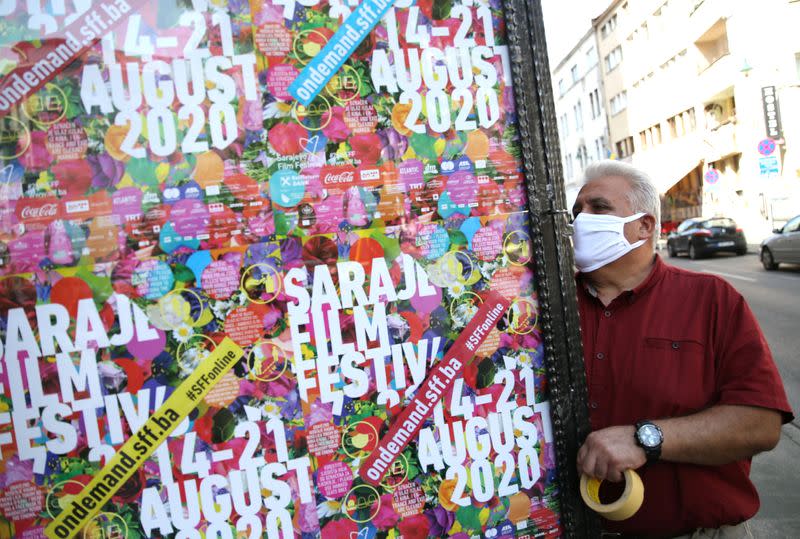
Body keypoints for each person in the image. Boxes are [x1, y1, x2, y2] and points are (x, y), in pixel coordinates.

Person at [570, 160, 793, 538]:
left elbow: (761, 423)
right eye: (576, 213)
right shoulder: (539, 310)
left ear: (645, 226)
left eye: (598, 208)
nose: (581, 221)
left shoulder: (712, 300)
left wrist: (645, 439)